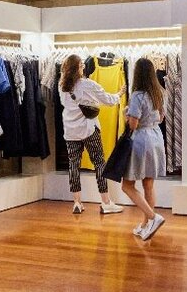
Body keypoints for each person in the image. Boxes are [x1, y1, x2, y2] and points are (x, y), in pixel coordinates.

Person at [60, 54, 125, 215]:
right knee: (99, 164)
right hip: (89, 129)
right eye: (82, 65)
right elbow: (108, 100)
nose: (84, 67)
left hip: (70, 130)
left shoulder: (61, 86)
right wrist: (120, 94)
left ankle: (76, 202)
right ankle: (105, 202)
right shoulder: (87, 84)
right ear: (79, 68)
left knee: (73, 165)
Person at [121, 57, 167, 241]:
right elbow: (161, 118)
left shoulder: (137, 95)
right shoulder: (159, 93)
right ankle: (145, 225)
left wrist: (126, 114)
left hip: (141, 140)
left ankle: (153, 218)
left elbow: (133, 124)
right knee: (148, 184)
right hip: (156, 137)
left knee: (127, 185)